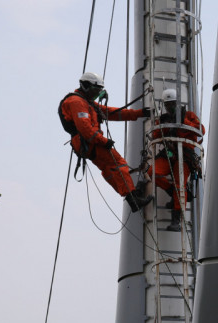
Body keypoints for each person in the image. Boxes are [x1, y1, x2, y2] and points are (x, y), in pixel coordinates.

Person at [58, 72, 153, 211]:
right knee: (118, 163)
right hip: (89, 142)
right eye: (95, 90)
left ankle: (130, 195)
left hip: (88, 143)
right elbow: (85, 128)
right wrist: (103, 141)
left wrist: (139, 113)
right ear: (85, 86)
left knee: (109, 169)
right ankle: (133, 198)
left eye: (99, 91)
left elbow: (112, 113)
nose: (97, 94)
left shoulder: (87, 103)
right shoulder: (76, 102)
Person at [148, 88, 204, 230]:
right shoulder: (165, 119)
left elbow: (200, 129)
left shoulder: (189, 115)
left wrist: (182, 120)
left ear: (177, 103)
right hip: (170, 154)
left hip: (185, 156)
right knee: (152, 171)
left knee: (180, 185)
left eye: (172, 104)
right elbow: (155, 135)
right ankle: (171, 191)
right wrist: (160, 124)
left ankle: (176, 219)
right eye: (168, 105)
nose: (170, 107)